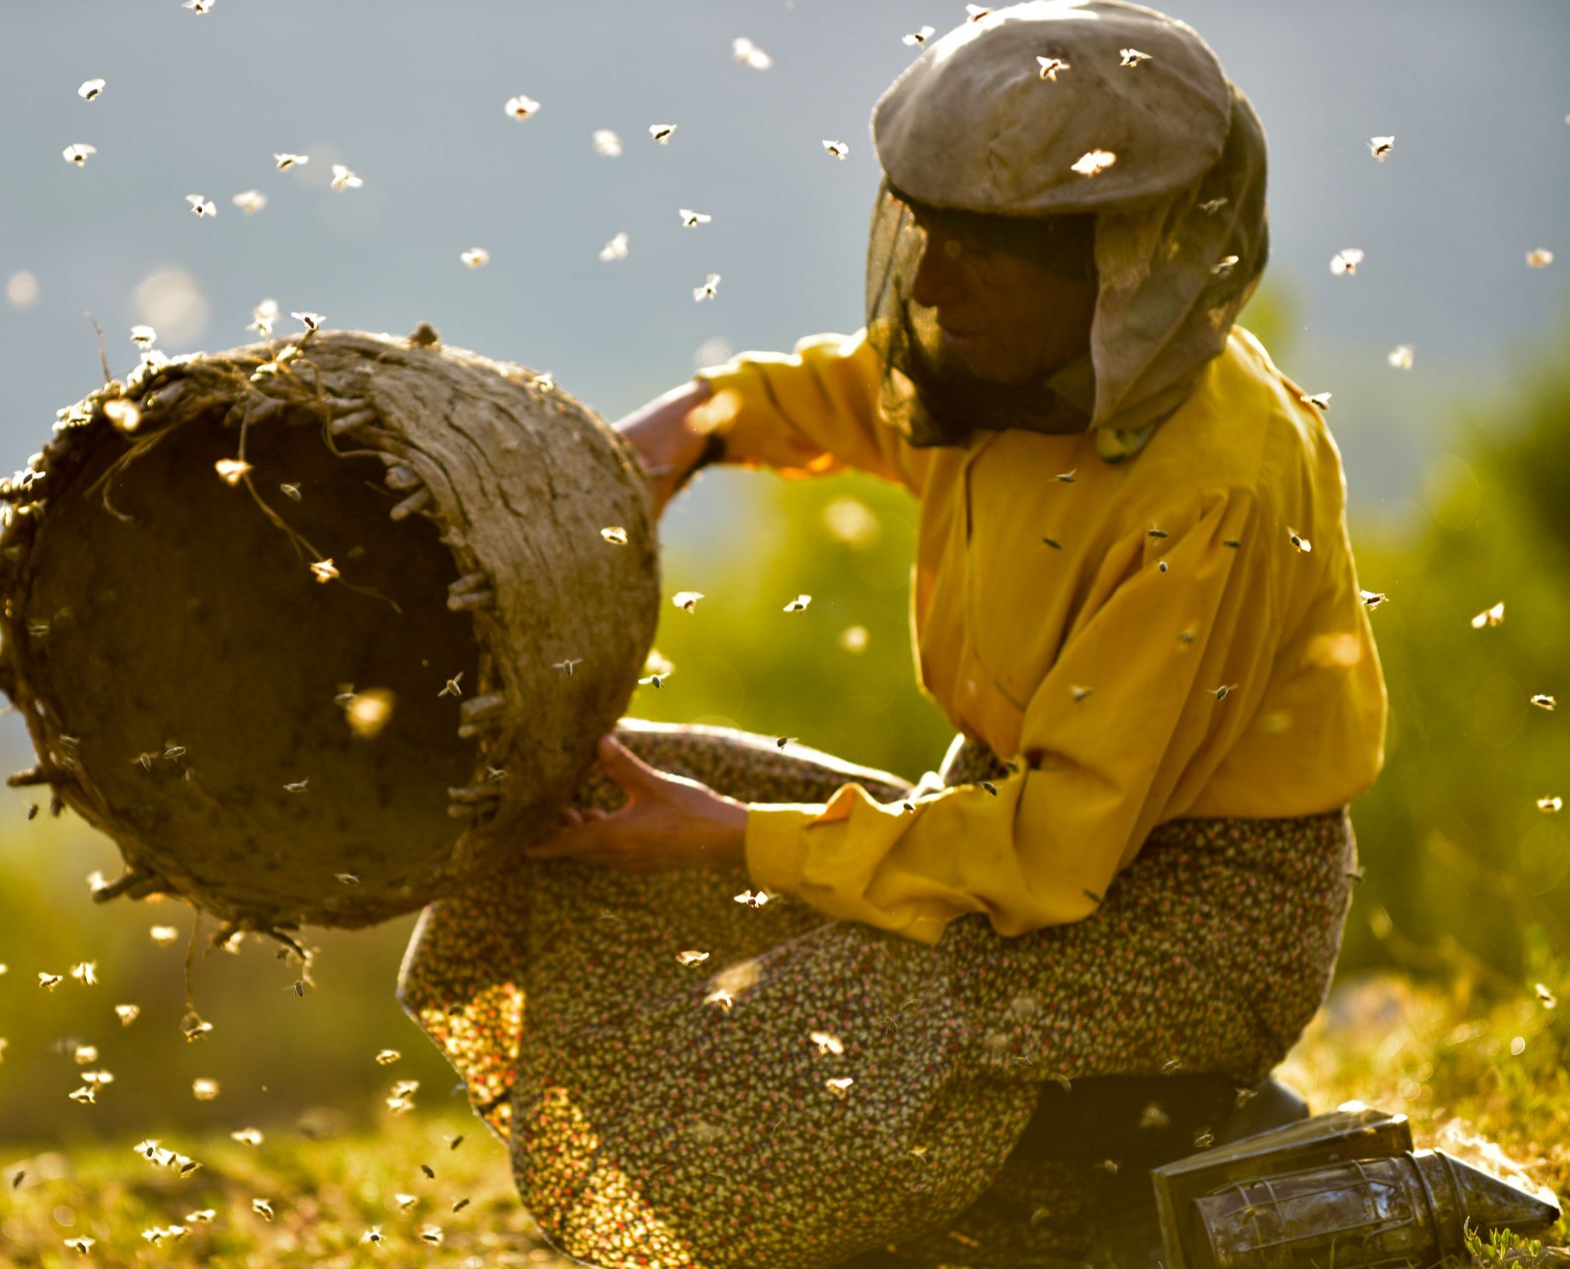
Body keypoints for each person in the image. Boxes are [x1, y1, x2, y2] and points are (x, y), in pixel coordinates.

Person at [397, 3, 1388, 1265]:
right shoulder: (1011, 366)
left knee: (758, 1064)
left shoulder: (1213, 491)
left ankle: (1140, 1141)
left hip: (1190, 925)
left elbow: (1046, 858)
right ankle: (1066, 1154)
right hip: (1022, 844)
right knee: (573, 813)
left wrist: (730, 840)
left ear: (1124, 254)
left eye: (985, 247)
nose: (931, 278)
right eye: (932, 229)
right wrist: (696, 425)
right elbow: (856, 393)